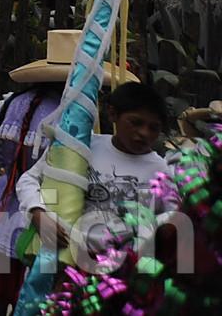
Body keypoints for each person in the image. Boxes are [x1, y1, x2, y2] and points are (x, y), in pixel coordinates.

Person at [13, 79, 170, 316]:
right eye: (136, 123)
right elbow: (29, 180)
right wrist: (38, 212)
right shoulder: (81, 148)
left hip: (112, 280)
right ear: (113, 114)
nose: (144, 133)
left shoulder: (163, 172)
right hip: (59, 264)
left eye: (153, 128)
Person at [0, 32, 71, 316]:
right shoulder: (66, 114)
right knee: (29, 297)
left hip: (2, 199)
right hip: (42, 208)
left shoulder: (16, 101)